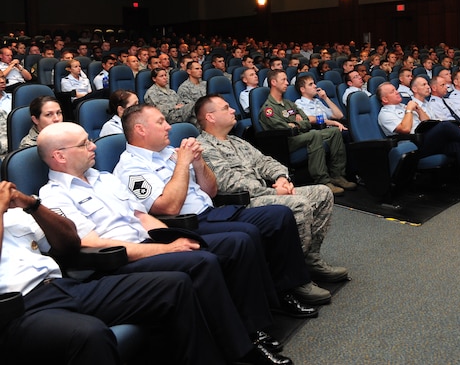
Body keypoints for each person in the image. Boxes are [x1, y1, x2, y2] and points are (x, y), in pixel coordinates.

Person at [34, 123, 293, 365]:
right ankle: (241, 348)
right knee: (202, 262)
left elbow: (143, 217)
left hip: (147, 245)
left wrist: (174, 239)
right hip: (117, 261)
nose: (94, 146)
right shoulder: (54, 196)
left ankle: (252, 329)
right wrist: (166, 248)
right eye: (84, 144)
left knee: (231, 244)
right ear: (60, 156)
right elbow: (93, 243)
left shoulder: (105, 178)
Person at [113, 103, 331, 309]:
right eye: (161, 122)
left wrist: (198, 163)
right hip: (186, 223)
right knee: (246, 235)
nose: (169, 126)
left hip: (212, 210)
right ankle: (271, 300)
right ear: (140, 129)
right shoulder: (131, 168)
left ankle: (287, 284)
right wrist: (182, 163)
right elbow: (169, 208)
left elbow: (210, 191)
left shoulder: (169, 152)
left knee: (279, 215)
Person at [0, 180, 229, 365]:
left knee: (175, 286)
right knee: (91, 334)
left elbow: (69, 243)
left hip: (61, 287)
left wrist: (32, 205)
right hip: (18, 309)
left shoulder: (15, 213)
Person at [195, 94, 349, 283]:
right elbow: (230, 184)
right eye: (226, 108)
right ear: (210, 117)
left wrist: (281, 177)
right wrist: (274, 192)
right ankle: (291, 274)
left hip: (263, 194)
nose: (233, 110)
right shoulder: (204, 147)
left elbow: (264, 161)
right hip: (239, 204)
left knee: (322, 193)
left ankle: (309, 260)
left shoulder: (236, 141)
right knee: (298, 204)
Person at [376, 79, 460, 204]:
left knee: (458, 145)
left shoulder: (404, 106)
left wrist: (419, 110)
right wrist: (409, 111)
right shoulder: (385, 114)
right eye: (392, 92)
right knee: (446, 126)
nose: (397, 92)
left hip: (427, 140)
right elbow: (405, 129)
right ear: (385, 99)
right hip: (413, 146)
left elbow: (427, 121)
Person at [259, 69, 355, 193]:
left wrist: (296, 123)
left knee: (335, 132)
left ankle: (337, 175)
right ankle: (323, 180)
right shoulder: (268, 109)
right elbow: (285, 129)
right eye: (283, 80)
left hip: (300, 135)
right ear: (273, 82)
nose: (287, 83)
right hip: (285, 142)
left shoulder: (288, 103)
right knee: (314, 134)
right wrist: (297, 123)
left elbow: (305, 120)